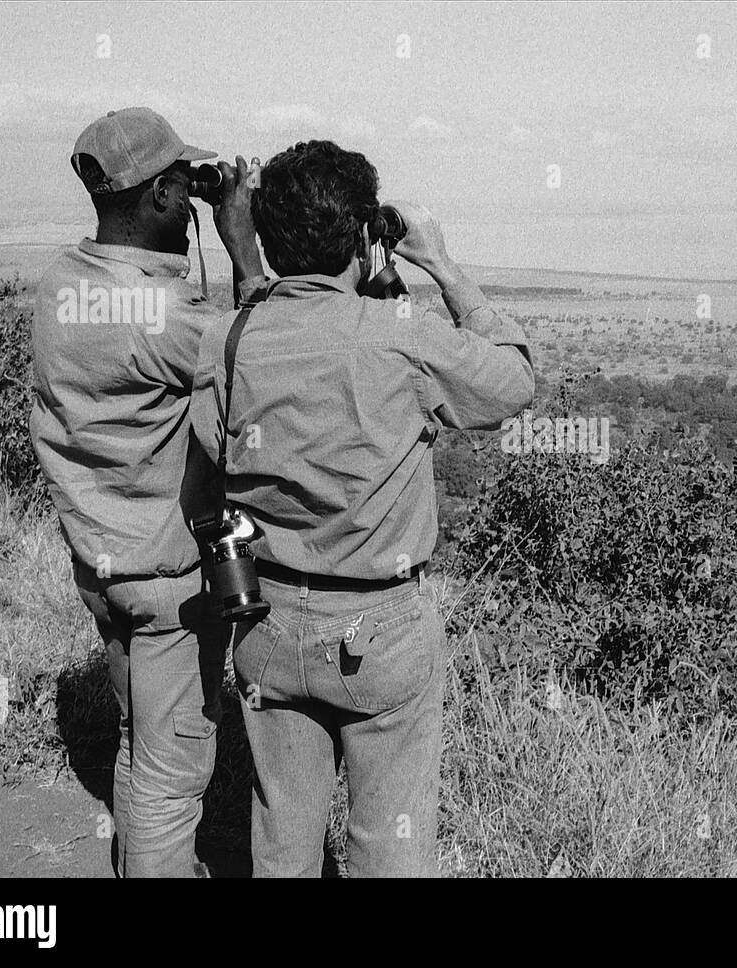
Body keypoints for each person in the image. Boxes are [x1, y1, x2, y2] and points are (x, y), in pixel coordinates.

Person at [190, 139, 534, 877]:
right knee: (390, 846)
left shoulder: (231, 337)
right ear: (360, 235)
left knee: (281, 836)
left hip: (266, 617)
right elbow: (512, 382)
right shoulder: (399, 336)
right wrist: (441, 266)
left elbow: (212, 459)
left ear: (271, 240)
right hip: (380, 627)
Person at [29, 107, 265, 877]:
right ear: (164, 196)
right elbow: (267, 365)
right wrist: (243, 249)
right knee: (172, 776)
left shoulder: (64, 281)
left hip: (100, 565)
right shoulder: (165, 317)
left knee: (141, 744)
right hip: (166, 583)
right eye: (185, 188)